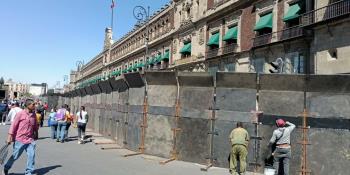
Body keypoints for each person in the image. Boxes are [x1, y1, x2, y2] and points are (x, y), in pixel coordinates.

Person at [2, 99, 39, 175]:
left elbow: (35, 125)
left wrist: (36, 133)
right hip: (20, 139)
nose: (34, 106)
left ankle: (29, 172)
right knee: (15, 156)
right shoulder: (20, 114)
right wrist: (9, 137)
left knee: (31, 155)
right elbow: (13, 125)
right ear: (28, 105)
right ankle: (6, 167)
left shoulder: (34, 114)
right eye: (33, 105)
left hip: (30, 139)